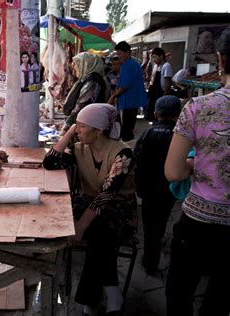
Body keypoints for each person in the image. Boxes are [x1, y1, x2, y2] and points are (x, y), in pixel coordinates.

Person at [43, 103, 135, 316]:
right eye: (77, 126)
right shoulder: (78, 148)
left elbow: (106, 195)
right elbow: (49, 163)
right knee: (98, 235)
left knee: (98, 232)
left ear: (98, 130)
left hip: (117, 207)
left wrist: (81, 226)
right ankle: (112, 292)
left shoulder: (123, 154)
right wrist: (70, 132)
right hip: (88, 203)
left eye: (82, 126)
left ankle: (90, 300)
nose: (78, 130)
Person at [164, 30, 230, 316]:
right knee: (221, 300)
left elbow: (173, 172)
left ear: (220, 59)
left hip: (199, 222)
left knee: (180, 292)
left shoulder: (199, 107)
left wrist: (193, 164)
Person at [134, 95, 181, 274]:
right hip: (168, 189)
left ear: (156, 113)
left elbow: (137, 159)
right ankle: (158, 240)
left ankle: (149, 260)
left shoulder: (148, 133)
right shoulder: (178, 136)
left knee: (148, 224)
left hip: (148, 189)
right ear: (177, 115)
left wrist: (138, 185)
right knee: (162, 219)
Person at [108, 41, 148, 142]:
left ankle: (128, 150)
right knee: (129, 128)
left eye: (120, 53)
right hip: (133, 100)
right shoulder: (134, 64)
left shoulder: (127, 65)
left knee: (126, 130)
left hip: (128, 101)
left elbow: (124, 86)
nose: (119, 56)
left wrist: (113, 96)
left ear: (127, 52)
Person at [62, 52, 108, 131]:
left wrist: (68, 124)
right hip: (84, 122)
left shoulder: (93, 81)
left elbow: (82, 104)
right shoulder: (87, 79)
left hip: (88, 124)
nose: (74, 67)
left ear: (86, 64)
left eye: (76, 64)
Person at [145, 47, 173, 121]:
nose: (153, 59)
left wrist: (165, 95)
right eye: (152, 57)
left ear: (161, 56)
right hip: (154, 93)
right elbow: (151, 78)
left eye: (154, 57)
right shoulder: (156, 66)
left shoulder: (166, 66)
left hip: (161, 93)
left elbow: (168, 82)